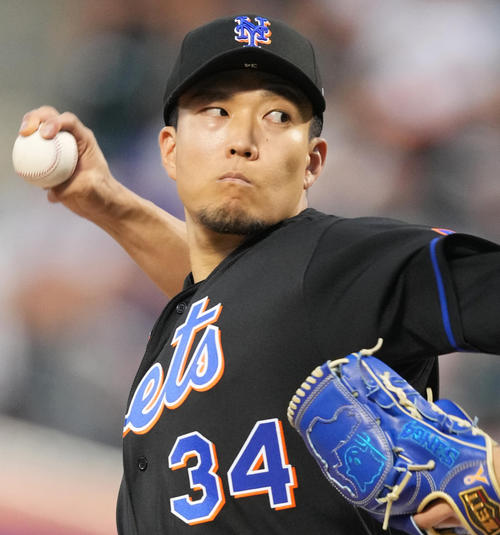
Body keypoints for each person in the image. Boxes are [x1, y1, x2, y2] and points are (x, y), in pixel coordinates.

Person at [19, 14, 500, 535]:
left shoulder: (346, 260)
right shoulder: (209, 308)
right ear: (170, 151)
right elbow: (237, 295)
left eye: (277, 116)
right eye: (216, 110)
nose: (243, 140)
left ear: (313, 161)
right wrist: (104, 199)